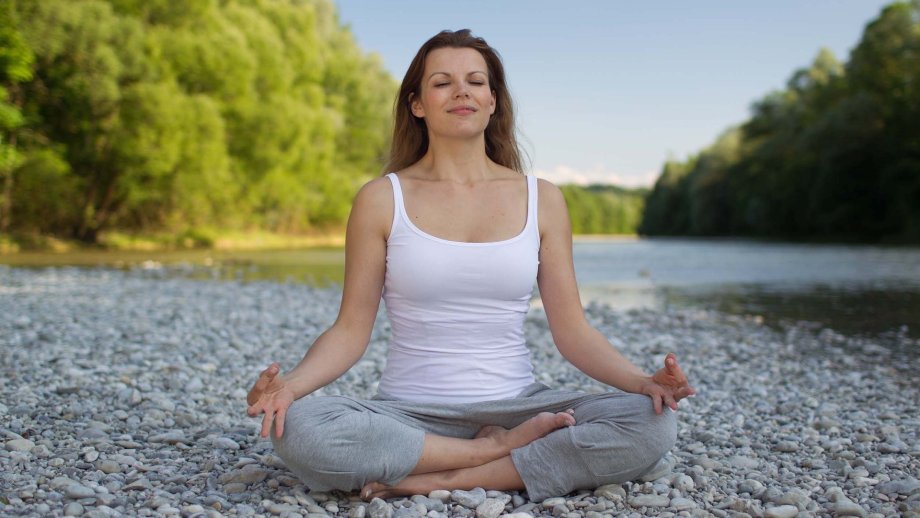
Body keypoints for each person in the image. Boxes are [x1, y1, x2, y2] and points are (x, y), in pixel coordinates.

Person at [246, 29, 695, 502]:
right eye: (442, 82)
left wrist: (642, 382)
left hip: (520, 406)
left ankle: (443, 476)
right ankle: (497, 455)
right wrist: (290, 386)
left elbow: (574, 331)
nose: (462, 91)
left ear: (493, 101)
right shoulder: (381, 199)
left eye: (475, 81)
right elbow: (350, 330)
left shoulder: (543, 199)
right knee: (299, 428)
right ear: (417, 104)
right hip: (410, 414)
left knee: (652, 423)